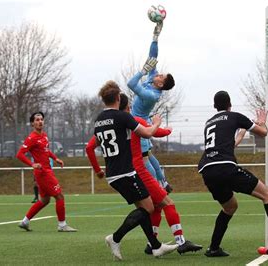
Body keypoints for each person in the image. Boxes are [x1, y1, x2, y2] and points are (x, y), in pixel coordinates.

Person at [86, 93, 202, 255]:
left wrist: (98, 170)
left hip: (120, 172)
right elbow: (154, 132)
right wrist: (164, 127)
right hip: (138, 171)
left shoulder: (109, 123)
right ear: (126, 107)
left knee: (149, 209)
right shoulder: (130, 120)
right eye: (130, 106)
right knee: (167, 203)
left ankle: (153, 244)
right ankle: (180, 242)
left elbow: (90, 147)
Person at [198, 91, 268, 257]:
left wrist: (242, 132)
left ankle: (213, 248)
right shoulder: (235, 116)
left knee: (230, 207)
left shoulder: (209, 123)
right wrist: (262, 122)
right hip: (226, 168)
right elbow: (263, 132)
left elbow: (229, 145)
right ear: (230, 104)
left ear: (215, 106)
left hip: (207, 170)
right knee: (267, 194)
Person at [92, 81, 177, 260]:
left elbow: (97, 144)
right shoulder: (122, 117)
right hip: (126, 172)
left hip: (112, 173)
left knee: (142, 208)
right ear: (117, 98)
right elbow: (147, 133)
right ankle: (115, 238)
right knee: (148, 207)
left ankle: (155, 246)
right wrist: (156, 123)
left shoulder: (99, 119)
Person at [127, 21, 174, 193]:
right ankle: (163, 183)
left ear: (161, 83)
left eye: (162, 75)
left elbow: (131, 83)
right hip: (142, 124)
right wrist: (155, 37)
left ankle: (157, 189)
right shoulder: (153, 80)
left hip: (139, 127)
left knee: (144, 160)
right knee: (149, 156)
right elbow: (153, 57)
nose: (159, 73)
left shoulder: (151, 95)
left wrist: (141, 71)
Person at [16, 111, 77, 232]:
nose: (40, 122)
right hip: (43, 173)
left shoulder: (44, 136)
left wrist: (56, 158)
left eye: (41, 119)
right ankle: (62, 225)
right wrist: (32, 164)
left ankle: (25, 221)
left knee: (44, 200)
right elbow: (19, 154)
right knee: (59, 196)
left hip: (46, 171)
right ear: (32, 123)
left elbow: (46, 151)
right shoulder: (32, 138)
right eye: (37, 120)